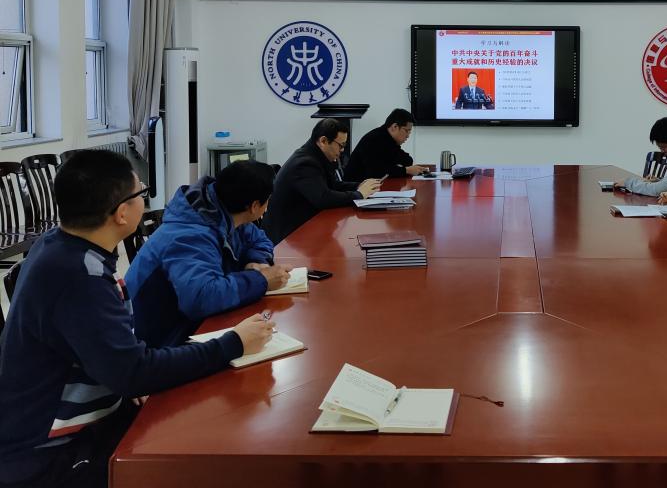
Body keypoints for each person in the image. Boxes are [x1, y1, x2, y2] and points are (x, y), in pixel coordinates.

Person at [0, 150, 273, 488]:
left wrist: (124, 378)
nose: (144, 199)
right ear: (121, 213)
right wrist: (233, 343)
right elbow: (135, 373)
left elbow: (116, 361)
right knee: (211, 455)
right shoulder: (78, 276)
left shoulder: (61, 246)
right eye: (141, 192)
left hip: (81, 412)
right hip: (49, 453)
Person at [125, 160, 289, 348]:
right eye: (267, 201)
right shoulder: (189, 236)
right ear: (254, 206)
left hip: (190, 324)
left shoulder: (224, 211)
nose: (267, 207)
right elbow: (201, 298)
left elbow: (259, 240)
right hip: (160, 341)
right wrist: (261, 280)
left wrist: (255, 261)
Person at [261, 118, 382, 244]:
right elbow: (323, 198)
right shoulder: (304, 164)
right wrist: (359, 194)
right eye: (341, 145)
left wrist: (359, 186)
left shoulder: (316, 156)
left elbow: (332, 185)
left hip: (304, 227)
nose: (342, 150)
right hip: (287, 237)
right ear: (323, 141)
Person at [344, 108, 429, 183]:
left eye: (409, 132)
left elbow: (407, 160)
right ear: (394, 126)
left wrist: (407, 169)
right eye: (406, 131)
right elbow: (377, 172)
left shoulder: (389, 139)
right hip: (355, 188)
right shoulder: (375, 139)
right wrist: (406, 170)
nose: (408, 135)